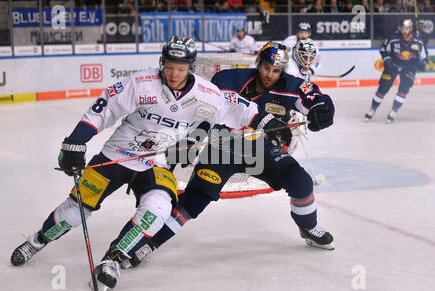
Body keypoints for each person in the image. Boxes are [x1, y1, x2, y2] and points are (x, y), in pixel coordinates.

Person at [10, 35, 269, 291]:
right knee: (75, 211)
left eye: (180, 68)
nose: (173, 73)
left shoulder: (207, 94)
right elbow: (104, 108)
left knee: (157, 210)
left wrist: (266, 121)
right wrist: (75, 142)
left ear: (190, 68)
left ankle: (111, 260)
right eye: (169, 66)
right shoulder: (141, 83)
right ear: (162, 62)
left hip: (158, 161)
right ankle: (38, 240)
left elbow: (243, 109)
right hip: (118, 154)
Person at [122, 41, 336, 271]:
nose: (269, 75)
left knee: (301, 181)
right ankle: (149, 244)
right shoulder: (228, 79)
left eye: (275, 71)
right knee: (194, 200)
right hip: (222, 148)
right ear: (258, 64)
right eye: (266, 68)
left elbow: (316, 98)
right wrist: (192, 140)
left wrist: (322, 110)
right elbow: (205, 113)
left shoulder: (290, 84)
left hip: (258, 148)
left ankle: (308, 227)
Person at [364, 19, 428, 123]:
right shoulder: (393, 38)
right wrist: (387, 59)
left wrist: (422, 64)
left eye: (407, 28)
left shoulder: (418, 41)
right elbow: (383, 49)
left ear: (411, 29)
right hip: (393, 66)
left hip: (409, 67)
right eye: (402, 28)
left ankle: (394, 110)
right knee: (383, 87)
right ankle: (373, 108)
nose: (404, 31)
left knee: (404, 88)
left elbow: (424, 57)